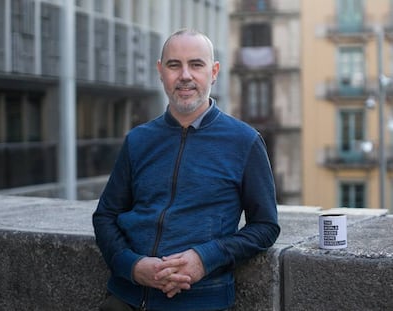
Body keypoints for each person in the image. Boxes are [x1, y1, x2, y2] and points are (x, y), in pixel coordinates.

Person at [92, 29, 280, 311]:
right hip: (125, 299)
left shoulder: (245, 141)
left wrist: (205, 258)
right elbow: (106, 215)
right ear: (160, 71)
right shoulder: (138, 140)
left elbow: (265, 227)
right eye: (173, 65)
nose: (185, 75)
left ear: (214, 72)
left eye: (196, 64)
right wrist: (132, 266)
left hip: (202, 302)